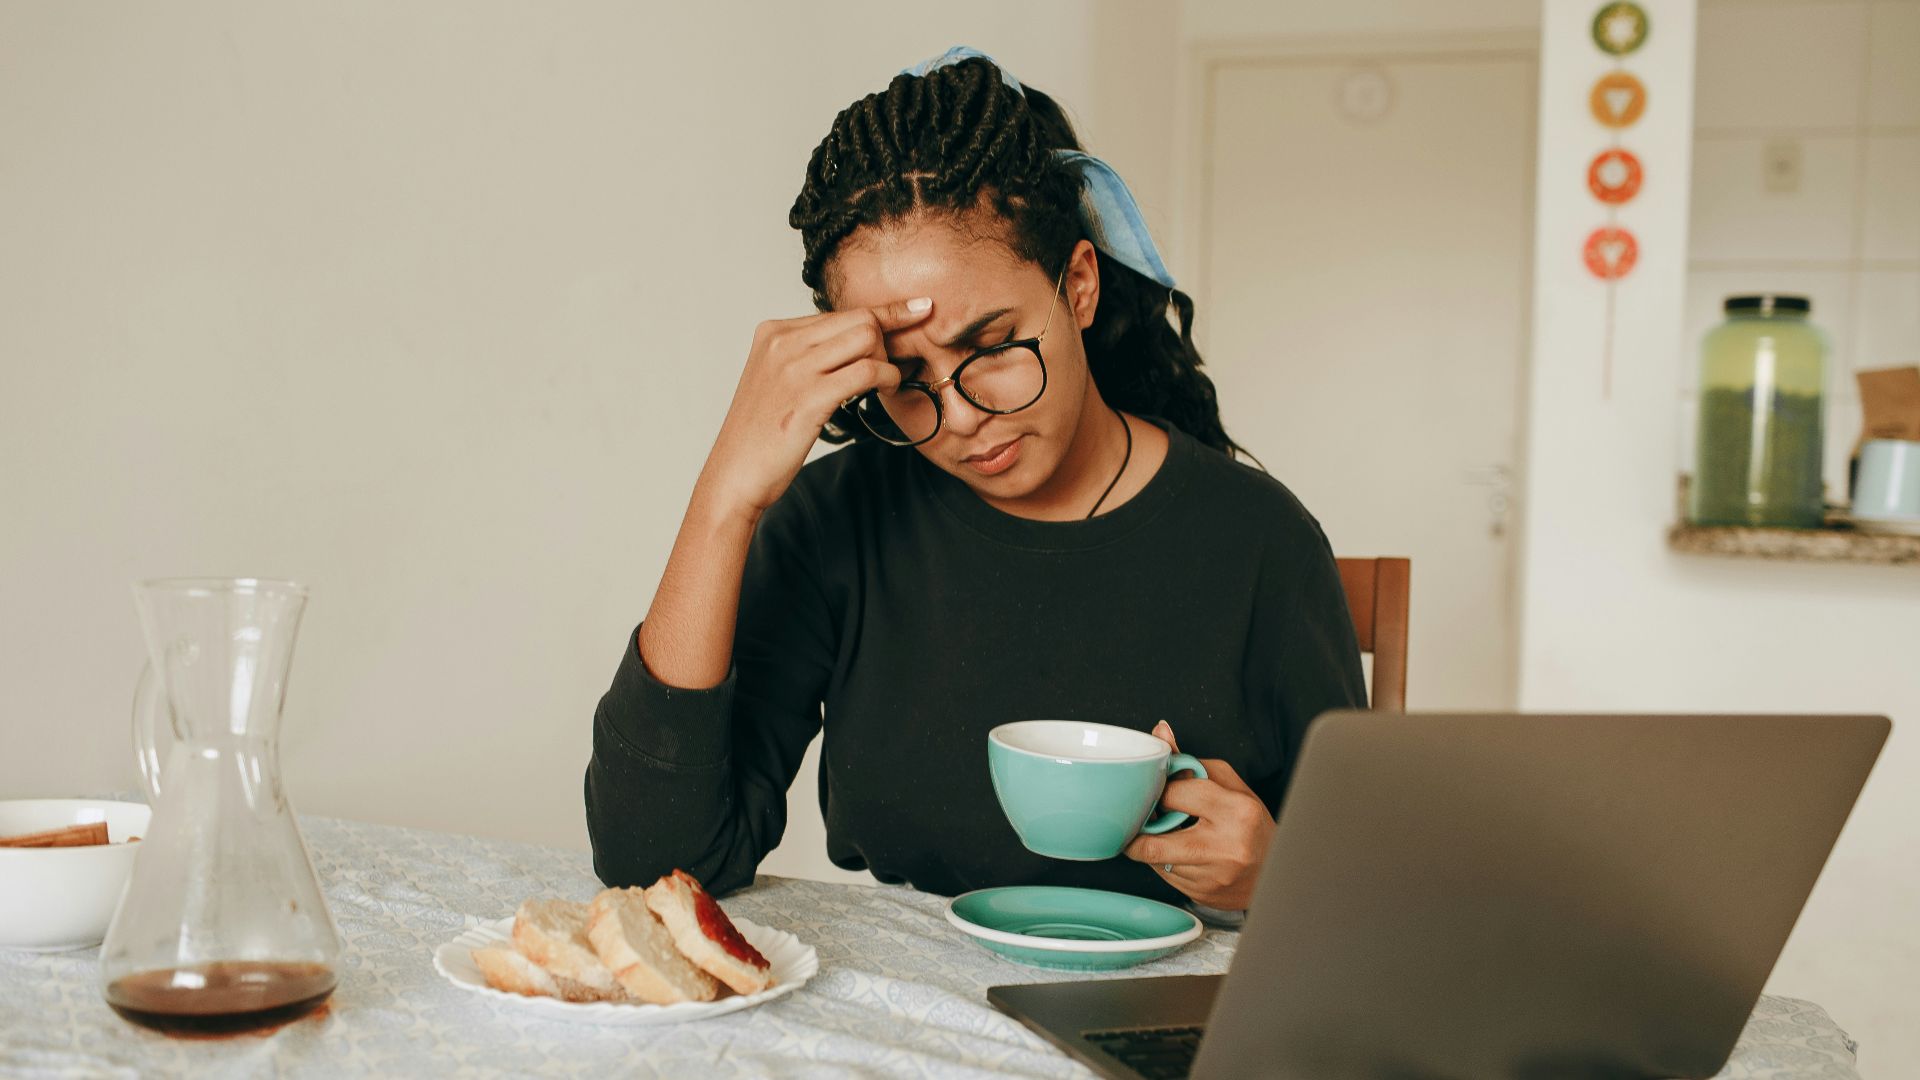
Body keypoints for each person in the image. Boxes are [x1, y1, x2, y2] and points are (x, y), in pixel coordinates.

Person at [586, 48, 1365, 916]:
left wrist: (1280, 875)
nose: (957, 418)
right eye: (908, 376)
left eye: (992, 347)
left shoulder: (1259, 544)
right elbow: (655, 860)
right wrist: (725, 496)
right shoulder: (837, 523)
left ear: (1078, 285)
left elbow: (1366, 908)